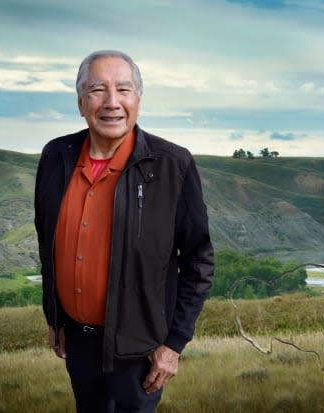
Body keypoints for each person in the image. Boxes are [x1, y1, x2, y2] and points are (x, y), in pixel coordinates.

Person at [34, 50, 214, 413]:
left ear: (138, 99)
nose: (112, 103)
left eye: (124, 90)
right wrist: (54, 318)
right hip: (79, 344)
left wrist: (174, 345)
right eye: (98, 90)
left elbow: (198, 260)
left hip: (142, 350)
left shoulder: (173, 165)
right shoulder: (56, 156)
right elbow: (47, 244)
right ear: (81, 101)